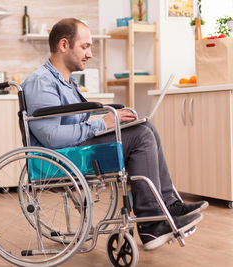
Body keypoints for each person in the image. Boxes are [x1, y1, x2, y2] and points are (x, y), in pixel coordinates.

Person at [22, 18, 208, 250]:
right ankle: (151, 224)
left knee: (145, 127)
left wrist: (113, 121)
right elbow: (52, 138)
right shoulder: (41, 82)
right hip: (59, 160)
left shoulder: (66, 82)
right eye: (85, 46)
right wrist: (103, 124)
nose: (90, 53)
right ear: (63, 45)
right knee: (140, 136)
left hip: (75, 150)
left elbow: (77, 124)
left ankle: (167, 204)